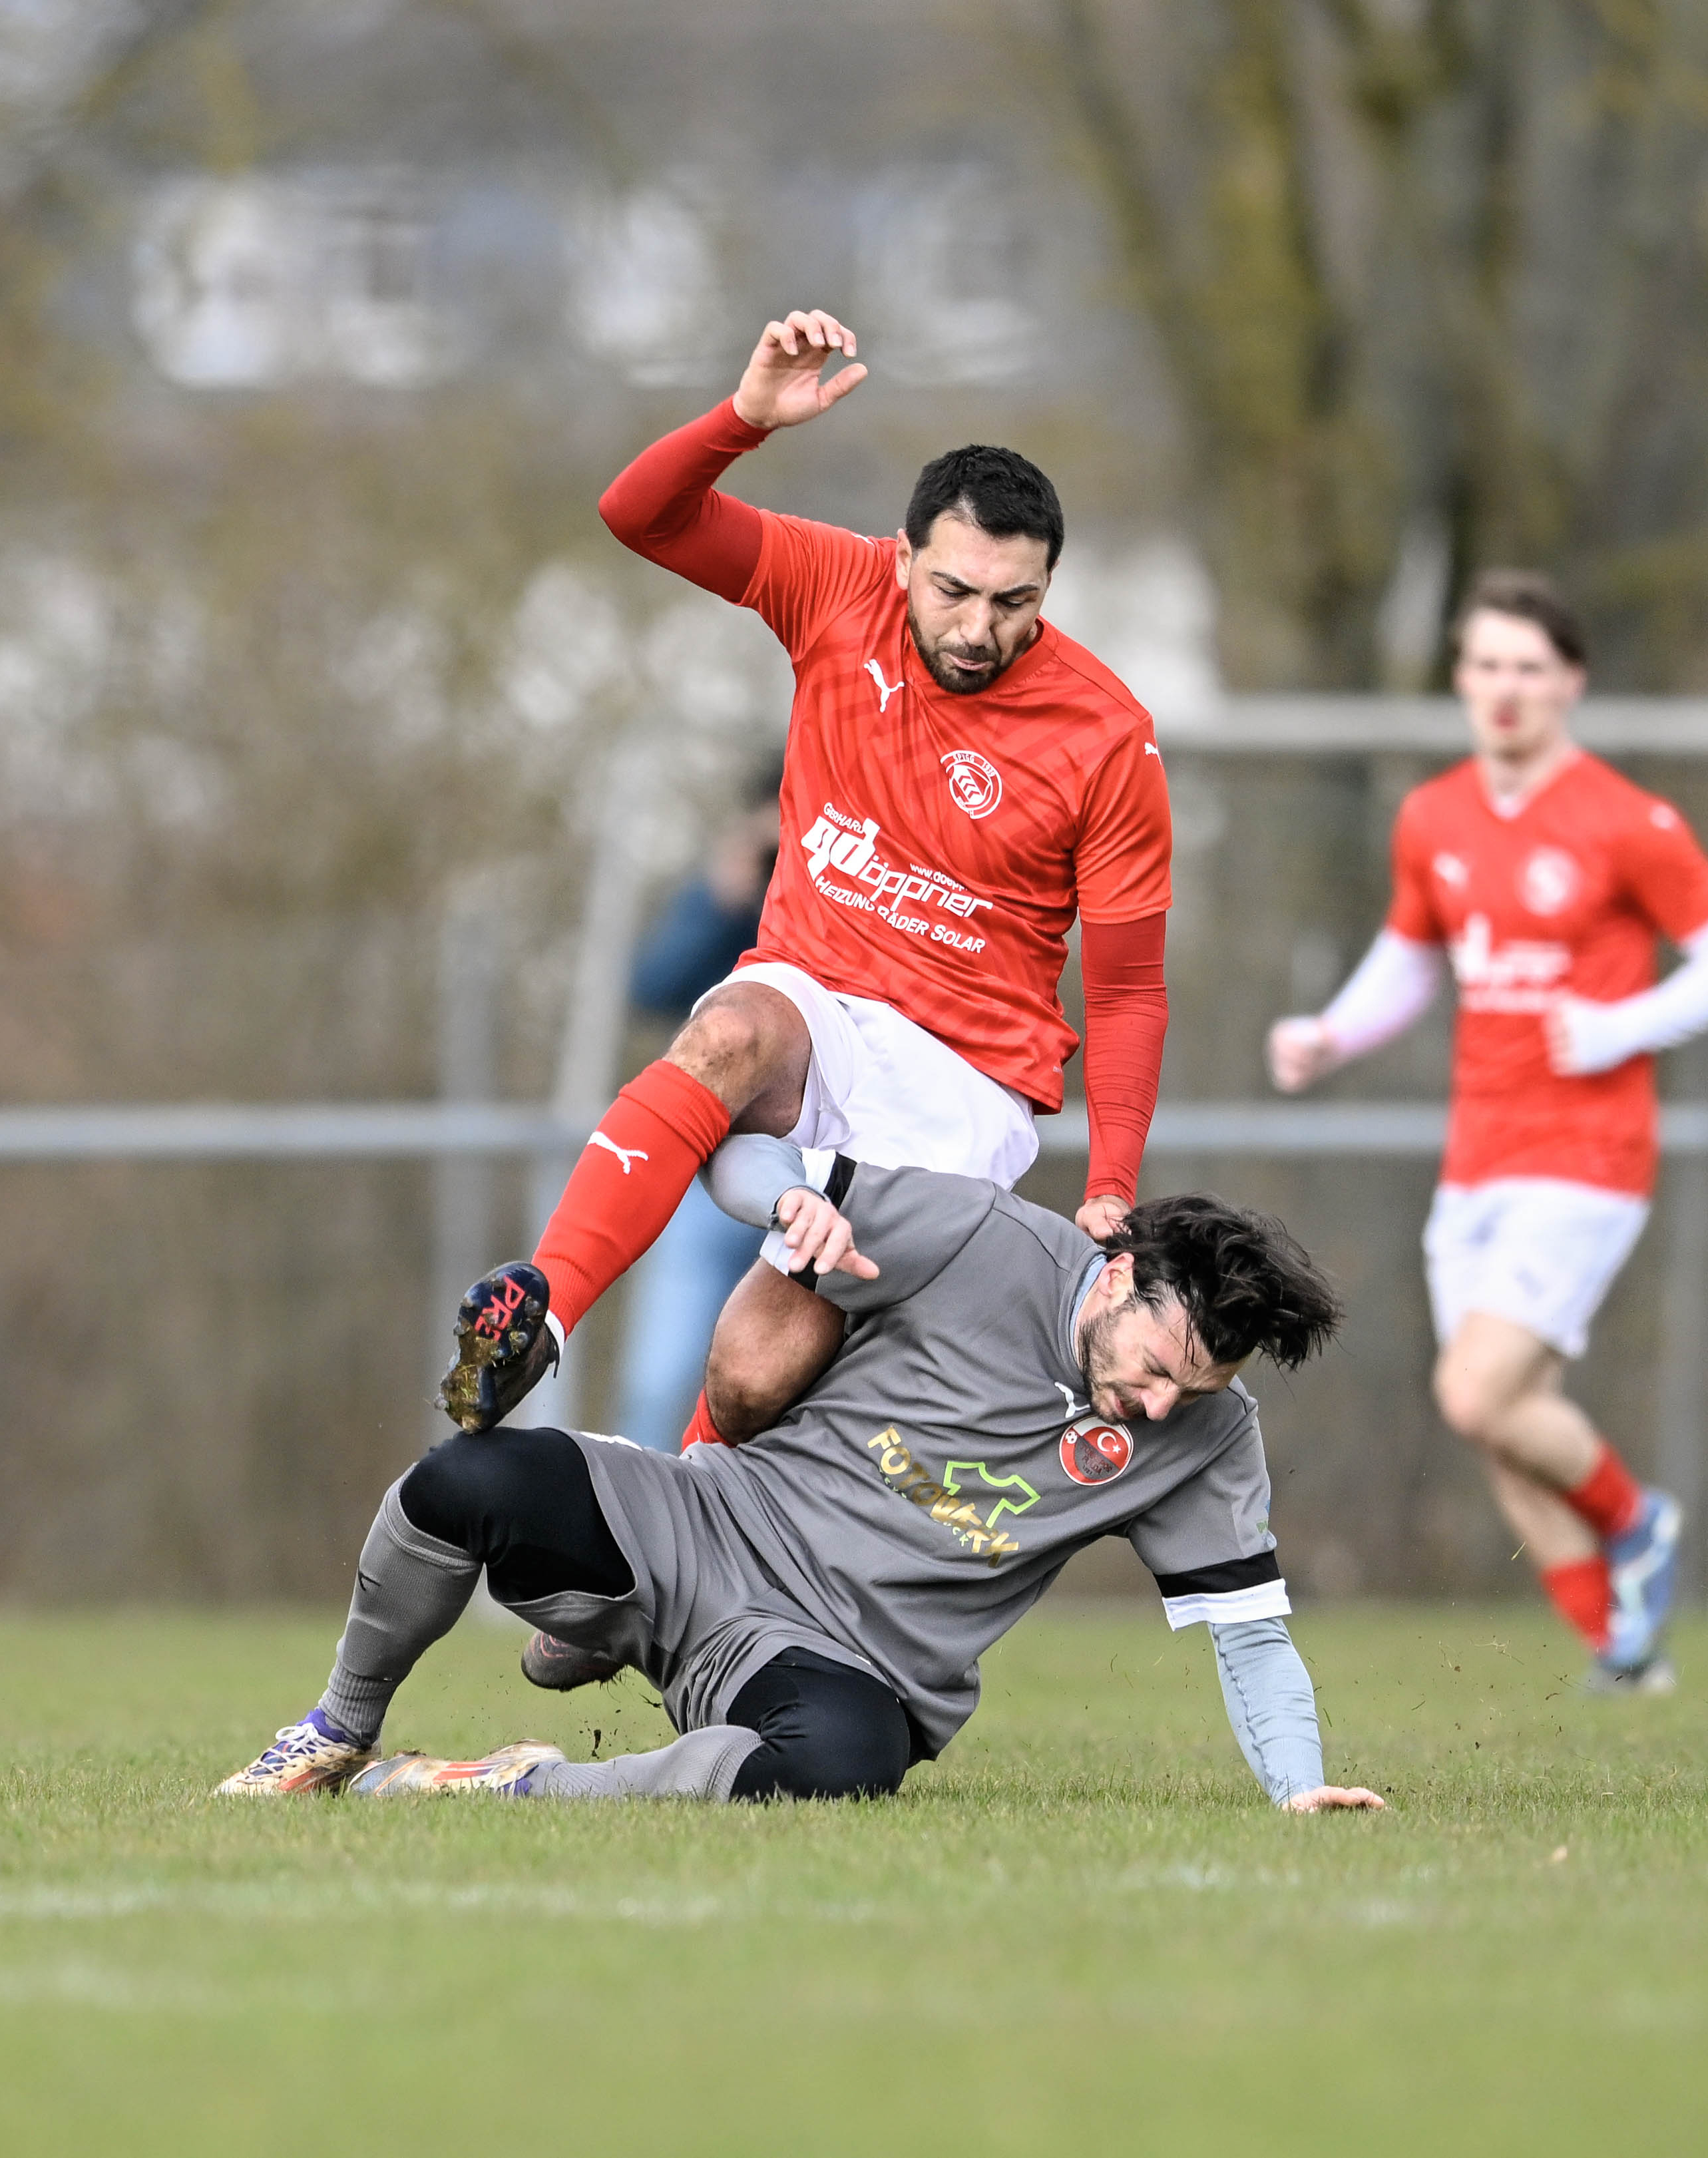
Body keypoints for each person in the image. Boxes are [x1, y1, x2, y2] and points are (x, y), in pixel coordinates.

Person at [443, 307, 1172, 1467]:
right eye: (953, 590)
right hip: (814, 998)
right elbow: (638, 514)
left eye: (1013, 603)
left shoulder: (1107, 736)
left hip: (961, 1081)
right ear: (901, 558)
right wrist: (742, 419)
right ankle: (541, 1311)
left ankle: (680, 1538)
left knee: (751, 1375)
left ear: (1047, 586)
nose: (978, 628)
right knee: (728, 1031)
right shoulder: (836, 585)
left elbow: (1129, 991)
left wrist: (1111, 1183)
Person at [217, 1157, 1383, 1812]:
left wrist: (1299, 1786)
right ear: (1118, 1275)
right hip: (708, 1521)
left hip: (846, 1665)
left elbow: (1251, 1637)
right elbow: (732, 1152)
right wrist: (787, 1200)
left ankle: (511, 1786)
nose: (1163, 1405)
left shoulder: (1206, 1437)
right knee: (461, 1480)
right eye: (1158, 1367)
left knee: (839, 1766)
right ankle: (332, 1731)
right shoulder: (972, 1233)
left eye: (1197, 1387)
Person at [1265, 572, 1708, 1692]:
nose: (1505, 688)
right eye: (1486, 664)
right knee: (1502, 1424)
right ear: (1459, 678)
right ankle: (1622, 1654)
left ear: (1569, 683)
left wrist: (1619, 1026)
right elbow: (1410, 956)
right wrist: (1330, 1033)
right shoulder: (1432, 816)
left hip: (1587, 1157)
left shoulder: (1623, 819)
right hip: (1476, 1156)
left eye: (1528, 669)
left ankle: (1636, 1522)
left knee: (1474, 1392)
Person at [610, 771, 780, 1451]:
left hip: (822, 1179)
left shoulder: (858, 900)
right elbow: (652, 986)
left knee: (785, 1391)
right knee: (659, 1379)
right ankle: (629, 1509)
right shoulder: (726, 901)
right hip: (707, 1173)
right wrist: (723, 896)